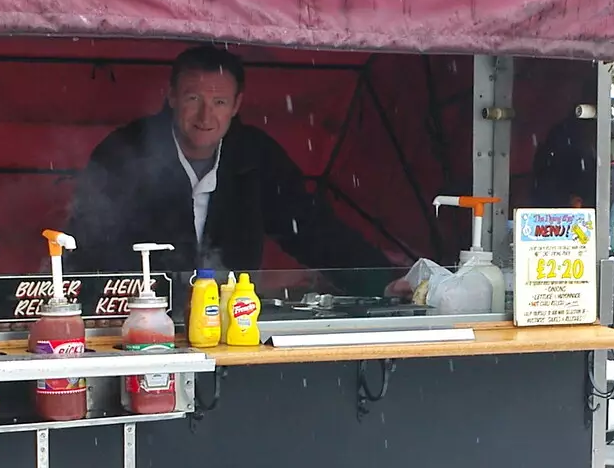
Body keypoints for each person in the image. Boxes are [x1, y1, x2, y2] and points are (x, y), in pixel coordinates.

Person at [66, 46, 395, 293]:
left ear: (237, 105)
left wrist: (382, 279)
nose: (205, 117)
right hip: (140, 322)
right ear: (172, 97)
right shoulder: (125, 152)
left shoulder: (255, 155)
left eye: (219, 103)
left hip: (230, 323)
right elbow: (90, 243)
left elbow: (311, 227)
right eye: (194, 99)